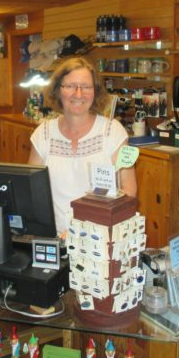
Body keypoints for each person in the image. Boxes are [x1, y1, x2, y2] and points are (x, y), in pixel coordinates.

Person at [28, 57, 137, 235]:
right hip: (54, 237)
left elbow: (129, 191)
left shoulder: (113, 132)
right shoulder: (43, 134)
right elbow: (32, 191)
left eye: (86, 87)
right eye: (70, 86)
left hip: (98, 239)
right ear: (58, 90)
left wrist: (80, 230)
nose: (78, 94)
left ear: (95, 92)